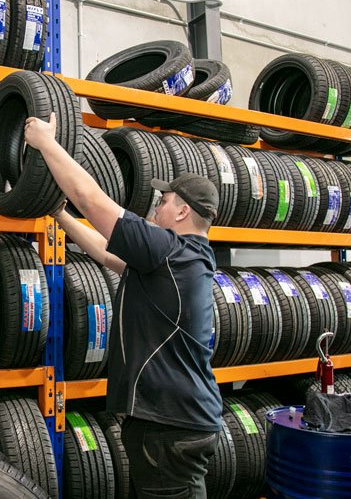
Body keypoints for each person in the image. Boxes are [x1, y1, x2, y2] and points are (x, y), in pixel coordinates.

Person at [23, 113, 222, 498]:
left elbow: (92, 200)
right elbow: (103, 250)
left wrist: (46, 142)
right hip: (181, 418)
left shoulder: (170, 250)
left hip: (168, 422)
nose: (156, 209)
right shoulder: (181, 259)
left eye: (164, 202)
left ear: (182, 212)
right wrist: (59, 213)